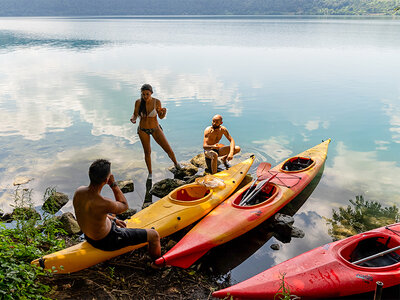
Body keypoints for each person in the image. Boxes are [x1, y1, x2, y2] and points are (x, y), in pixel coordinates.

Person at [73, 159, 161, 261]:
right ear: (106, 180)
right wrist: (113, 184)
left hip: (89, 236)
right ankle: (156, 265)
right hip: (108, 240)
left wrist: (113, 220)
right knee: (154, 235)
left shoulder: (79, 192)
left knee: (113, 217)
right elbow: (124, 206)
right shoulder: (104, 203)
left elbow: (92, 214)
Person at [130, 84, 180, 179]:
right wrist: (133, 119)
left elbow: (160, 117)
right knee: (147, 152)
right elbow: (135, 114)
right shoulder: (138, 102)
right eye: (143, 94)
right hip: (143, 130)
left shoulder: (156, 102)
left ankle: (176, 164)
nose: (145, 96)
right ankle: (150, 173)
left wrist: (163, 113)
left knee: (168, 149)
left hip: (155, 129)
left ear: (151, 93)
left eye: (147, 94)